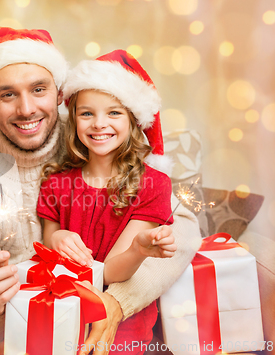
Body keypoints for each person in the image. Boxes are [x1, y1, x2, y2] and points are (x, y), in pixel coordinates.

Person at [0, 26, 201, 355]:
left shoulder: (98, 139)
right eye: (8, 94)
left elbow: (183, 227)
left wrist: (117, 302)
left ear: (58, 92)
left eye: (39, 89)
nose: (26, 109)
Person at [37, 50, 177, 354]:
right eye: (87, 113)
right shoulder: (56, 182)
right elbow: (49, 243)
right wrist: (58, 236)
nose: (99, 124)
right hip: (60, 313)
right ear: (74, 120)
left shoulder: (152, 184)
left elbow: (110, 272)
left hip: (121, 328)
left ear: (133, 120)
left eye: (114, 113)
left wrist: (140, 250)